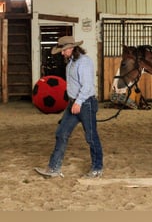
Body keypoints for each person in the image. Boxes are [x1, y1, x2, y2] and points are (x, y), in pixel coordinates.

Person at [35, 36, 103, 178]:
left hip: (85, 103)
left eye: (63, 50)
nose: (62, 53)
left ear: (71, 48)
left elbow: (87, 85)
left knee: (91, 137)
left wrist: (79, 102)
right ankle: (54, 168)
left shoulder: (83, 63)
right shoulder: (71, 62)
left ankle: (97, 168)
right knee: (61, 133)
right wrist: (74, 102)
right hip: (74, 104)